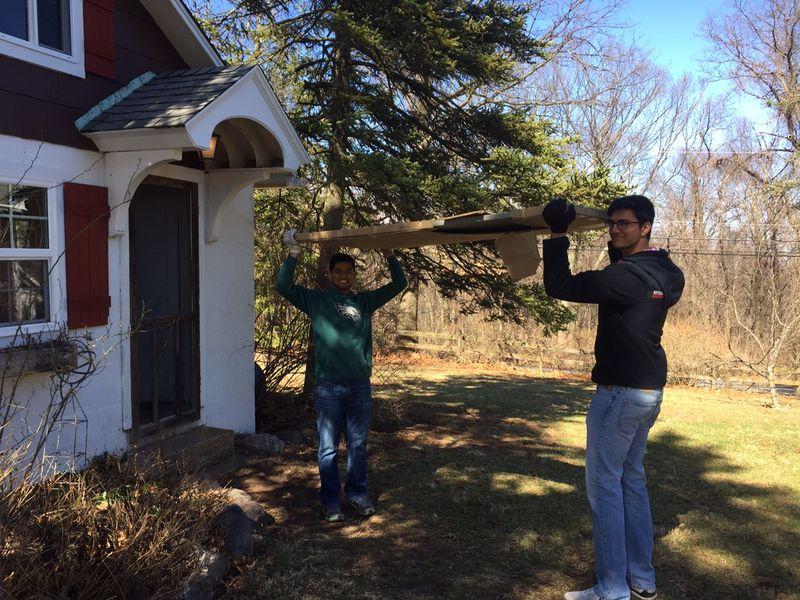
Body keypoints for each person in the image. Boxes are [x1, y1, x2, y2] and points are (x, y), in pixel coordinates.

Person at [541, 196, 685, 600]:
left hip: (620, 395)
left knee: (604, 486)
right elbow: (624, 269)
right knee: (631, 481)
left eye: (625, 224)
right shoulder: (667, 273)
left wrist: (557, 233)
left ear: (646, 227)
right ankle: (641, 580)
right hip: (648, 392)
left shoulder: (625, 279)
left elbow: (560, 285)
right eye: (613, 224)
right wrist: (617, 252)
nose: (616, 229)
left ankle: (611, 589)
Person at [276, 230, 407, 522]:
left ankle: (358, 494)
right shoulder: (317, 302)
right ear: (330, 274)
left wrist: (389, 254)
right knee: (327, 449)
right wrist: (293, 254)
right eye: (339, 271)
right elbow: (283, 286)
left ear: (354, 275)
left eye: (349, 271)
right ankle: (331, 501)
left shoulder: (365, 302)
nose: (344, 276)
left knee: (358, 445)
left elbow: (400, 283)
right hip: (329, 388)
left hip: (359, 385)